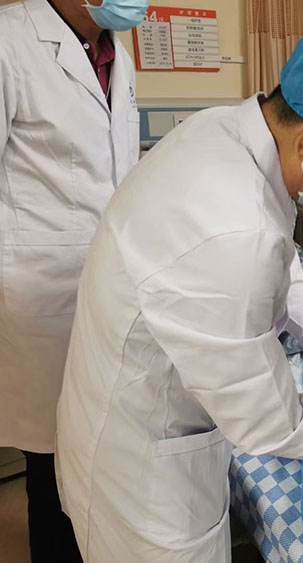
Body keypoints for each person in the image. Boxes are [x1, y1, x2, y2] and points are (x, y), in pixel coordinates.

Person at [55, 6, 303, 561]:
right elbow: (269, 422)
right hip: (145, 476)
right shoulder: (231, 229)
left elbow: (283, 264)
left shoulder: (226, 133)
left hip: (121, 402)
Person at [0, 0, 145, 560]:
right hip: (37, 293)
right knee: (51, 463)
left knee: (96, 451)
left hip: (107, 285)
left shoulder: (116, 54)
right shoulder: (10, 39)